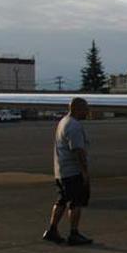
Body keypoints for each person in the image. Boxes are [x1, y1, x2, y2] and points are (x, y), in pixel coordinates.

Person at [42, 97, 93, 245]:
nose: (87, 111)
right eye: (85, 109)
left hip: (61, 171)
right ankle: (74, 233)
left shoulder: (63, 121)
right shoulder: (74, 126)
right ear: (77, 109)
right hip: (72, 172)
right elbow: (78, 150)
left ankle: (52, 230)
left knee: (62, 201)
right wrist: (84, 172)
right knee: (75, 203)